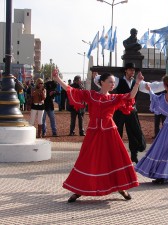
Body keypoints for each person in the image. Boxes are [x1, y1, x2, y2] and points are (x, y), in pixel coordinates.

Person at [52, 70, 144, 203]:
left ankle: (121, 188)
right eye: (110, 82)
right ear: (102, 82)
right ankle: (79, 190)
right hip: (93, 133)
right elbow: (72, 90)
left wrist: (137, 83)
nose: (112, 84)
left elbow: (130, 96)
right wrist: (58, 80)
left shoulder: (113, 98)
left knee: (114, 159)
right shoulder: (91, 95)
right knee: (87, 159)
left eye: (113, 82)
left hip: (110, 133)